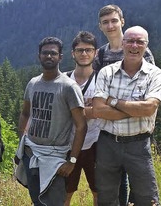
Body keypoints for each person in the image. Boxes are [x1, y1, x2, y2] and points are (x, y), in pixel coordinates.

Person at [92, 26, 161, 205]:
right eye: (130, 41)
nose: (134, 45)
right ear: (123, 43)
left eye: (140, 42)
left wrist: (114, 102)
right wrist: (135, 111)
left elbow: (149, 108)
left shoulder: (155, 74)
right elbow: (99, 110)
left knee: (147, 197)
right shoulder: (106, 72)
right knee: (106, 197)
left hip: (139, 144)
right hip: (107, 143)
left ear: (146, 46)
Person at [15, 37, 86, 205]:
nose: (49, 56)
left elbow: (81, 125)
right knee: (37, 201)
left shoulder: (68, 87)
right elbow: (25, 113)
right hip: (31, 153)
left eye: (53, 53)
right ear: (39, 56)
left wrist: (72, 161)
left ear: (60, 57)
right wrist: (22, 141)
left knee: (53, 202)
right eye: (45, 53)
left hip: (55, 158)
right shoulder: (33, 83)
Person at [64, 31, 100, 206]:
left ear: (96, 52)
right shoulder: (63, 80)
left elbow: (105, 111)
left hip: (96, 143)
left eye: (88, 50)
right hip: (67, 145)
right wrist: (92, 110)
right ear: (73, 53)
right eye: (79, 50)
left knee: (98, 190)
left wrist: (73, 111)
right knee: (65, 192)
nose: (84, 54)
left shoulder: (102, 79)